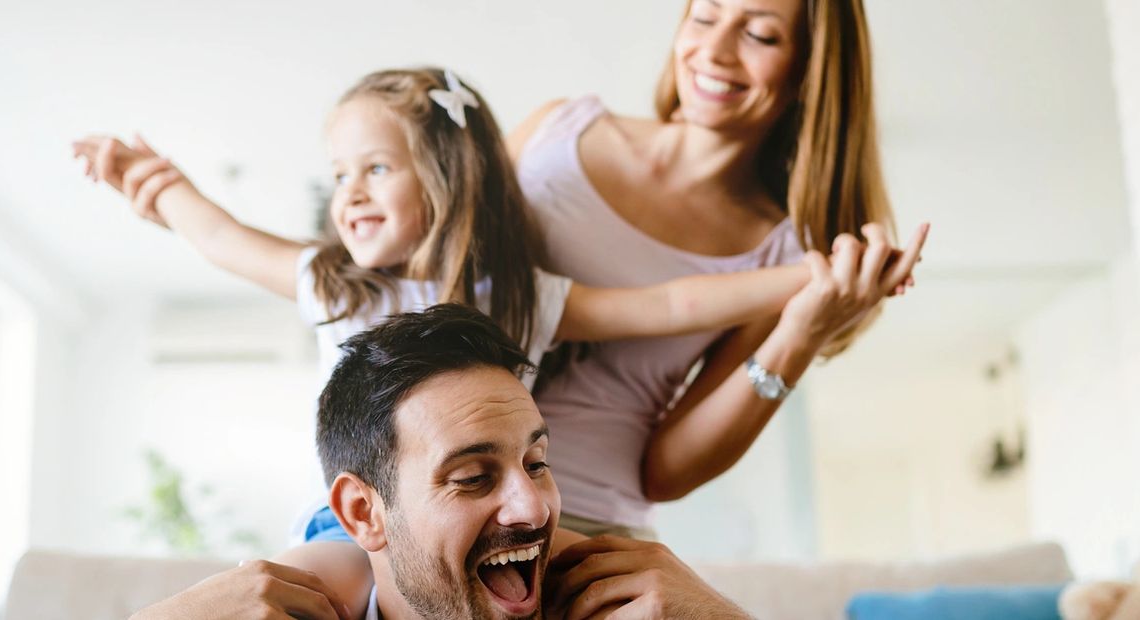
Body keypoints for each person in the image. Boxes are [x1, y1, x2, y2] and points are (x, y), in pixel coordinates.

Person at [74, 66, 913, 614]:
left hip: (526, 541)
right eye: (338, 177)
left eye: (374, 169)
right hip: (351, 537)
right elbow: (222, 238)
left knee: (607, 581)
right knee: (298, 598)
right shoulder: (335, 284)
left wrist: (819, 279)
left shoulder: (522, 297)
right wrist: (161, 187)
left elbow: (670, 303)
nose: (348, 195)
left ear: (441, 175)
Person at [506, 0, 927, 537]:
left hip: (584, 522)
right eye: (705, 17)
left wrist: (800, 334)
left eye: (760, 36)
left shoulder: (787, 257)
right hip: (431, 491)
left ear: (810, 69)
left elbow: (665, 475)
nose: (715, 50)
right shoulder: (554, 130)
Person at [129, 304, 754, 620]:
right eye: (473, 477)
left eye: (537, 462)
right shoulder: (322, 594)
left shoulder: (591, 594)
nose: (533, 505)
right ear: (363, 510)